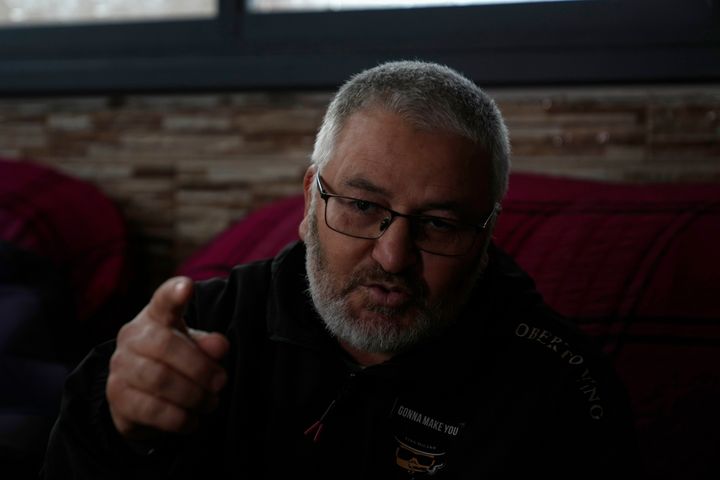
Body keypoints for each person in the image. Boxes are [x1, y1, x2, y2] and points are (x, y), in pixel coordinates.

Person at [41, 60, 639, 479]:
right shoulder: (201, 333)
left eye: (439, 223)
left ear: (485, 236)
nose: (393, 256)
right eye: (361, 206)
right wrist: (119, 429)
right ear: (309, 203)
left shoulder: (557, 388)